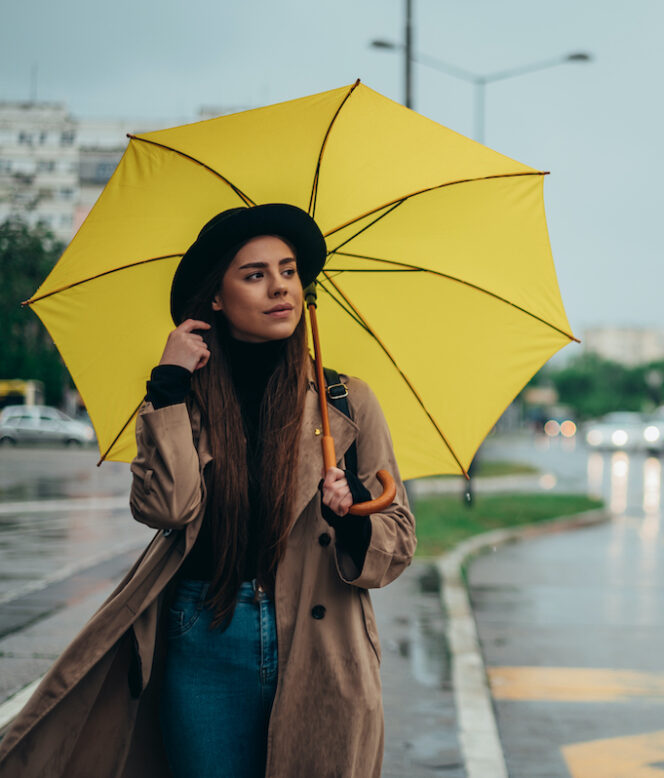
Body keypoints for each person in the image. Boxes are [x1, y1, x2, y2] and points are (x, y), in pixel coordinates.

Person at [0, 204, 416, 778]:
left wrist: (349, 518)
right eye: (255, 275)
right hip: (204, 632)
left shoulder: (345, 401)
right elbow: (165, 508)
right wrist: (167, 387)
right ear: (216, 299)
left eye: (289, 271)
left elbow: (396, 544)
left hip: (322, 645)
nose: (280, 288)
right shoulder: (185, 396)